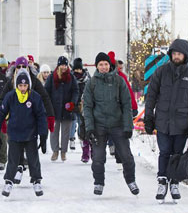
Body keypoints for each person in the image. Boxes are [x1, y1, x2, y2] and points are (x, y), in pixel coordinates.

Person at [144, 39, 188, 202]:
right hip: (163, 122)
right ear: (171, 54)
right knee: (164, 152)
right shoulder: (161, 72)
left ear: (185, 55)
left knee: (177, 154)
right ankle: (162, 181)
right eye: (174, 53)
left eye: (179, 54)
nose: (176, 56)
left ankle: (174, 182)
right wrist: (149, 117)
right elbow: (151, 96)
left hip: (182, 124)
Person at [83, 52, 139, 196]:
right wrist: (89, 128)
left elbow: (127, 105)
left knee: (126, 155)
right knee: (98, 157)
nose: (103, 67)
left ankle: (131, 181)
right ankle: (99, 183)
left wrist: (128, 126)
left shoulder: (119, 81)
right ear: (97, 66)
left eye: (106, 64)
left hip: (117, 124)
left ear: (110, 65)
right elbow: (87, 107)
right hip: (99, 125)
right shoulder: (92, 83)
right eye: (100, 64)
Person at [0, 68, 48, 197]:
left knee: (33, 159)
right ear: (16, 85)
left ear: (28, 85)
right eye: (20, 85)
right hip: (14, 134)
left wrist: (43, 135)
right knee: (13, 159)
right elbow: (1, 113)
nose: (23, 88)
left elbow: (41, 116)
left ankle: (36, 180)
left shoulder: (34, 96)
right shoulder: (10, 96)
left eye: (25, 85)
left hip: (31, 134)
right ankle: (9, 181)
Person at [2, 56, 54, 184]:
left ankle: (31, 172)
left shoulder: (34, 82)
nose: (21, 69)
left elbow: (45, 98)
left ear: (28, 67)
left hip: (31, 120)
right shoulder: (11, 81)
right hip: (14, 120)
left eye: (23, 67)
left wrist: (50, 116)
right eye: (18, 67)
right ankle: (19, 167)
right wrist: (2, 117)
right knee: (15, 145)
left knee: (29, 146)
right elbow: (2, 100)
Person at [45, 56, 78, 161]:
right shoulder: (52, 77)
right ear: (58, 65)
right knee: (54, 131)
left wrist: (72, 102)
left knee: (65, 132)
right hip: (54, 109)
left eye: (65, 65)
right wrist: (48, 105)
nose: (63, 67)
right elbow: (46, 92)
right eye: (62, 65)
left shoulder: (71, 77)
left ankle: (63, 152)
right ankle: (55, 151)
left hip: (67, 110)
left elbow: (75, 91)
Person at [69, 58, 91, 163]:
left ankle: (90, 151)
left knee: (87, 127)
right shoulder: (71, 78)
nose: (78, 71)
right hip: (75, 106)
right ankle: (85, 152)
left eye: (79, 69)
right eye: (76, 69)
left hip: (86, 106)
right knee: (81, 128)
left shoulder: (87, 77)